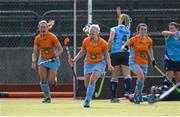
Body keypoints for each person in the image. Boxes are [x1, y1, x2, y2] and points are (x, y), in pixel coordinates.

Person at [68, 24, 113, 108]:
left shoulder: (103, 43)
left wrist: (109, 65)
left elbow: (107, 55)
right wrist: (74, 60)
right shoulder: (86, 41)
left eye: (93, 34)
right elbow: (82, 51)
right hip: (88, 63)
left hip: (99, 63)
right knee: (87, 85)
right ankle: (90, 93)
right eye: (90, 33)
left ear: (97, 34)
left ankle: (87, 101)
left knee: (93, 79)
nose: (91, 35)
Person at [122, 23, 157, 104]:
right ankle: (138, 97)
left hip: (144, 63)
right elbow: (125, 45)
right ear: (138, 30)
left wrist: (153, 60)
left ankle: (137, 96)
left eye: (145, 29)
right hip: (134, 62)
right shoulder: (134, 39)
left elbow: (150, 50)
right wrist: (125, 48)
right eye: (141, 29)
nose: (143, 31)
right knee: (141, 76)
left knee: (141, 80)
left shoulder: (149, 40)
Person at [32, 20, 63, 103]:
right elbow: (34, 51)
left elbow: (60, 50)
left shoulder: (52, 37)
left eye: (44, 27)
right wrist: (34, 61)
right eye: (41, 27)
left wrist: (55, 56)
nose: (43, 29)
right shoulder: (37, 38)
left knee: (50, 82)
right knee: (42, 79)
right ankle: (47, 97)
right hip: (43, 59)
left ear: (47, 28)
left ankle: (54, 81)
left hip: (53, 59)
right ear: (39, 28)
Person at [108, 6, 132, 103]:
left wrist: (107, 51)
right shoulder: (128, 30)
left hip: (115, 53)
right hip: (125, 53)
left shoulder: (114, 29)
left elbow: (110, 40)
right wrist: (120, 14)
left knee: (115, 76)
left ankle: (113, 97)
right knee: (127, 75)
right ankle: (128, 92)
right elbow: (123, 22)